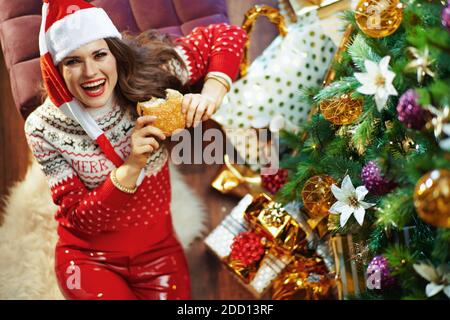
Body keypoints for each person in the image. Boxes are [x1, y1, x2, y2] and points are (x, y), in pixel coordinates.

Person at [24, 0, 247, 300]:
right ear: (55, 70)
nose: (91, 72)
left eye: (99, 54)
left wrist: (212, 93)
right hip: (90, 259)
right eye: (72, 61)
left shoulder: (148, 79)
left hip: (159, 251)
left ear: (114, 54)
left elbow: (227, 35)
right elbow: (80, 219)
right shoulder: (43, 127)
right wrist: (132, 165)